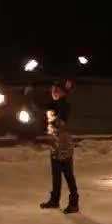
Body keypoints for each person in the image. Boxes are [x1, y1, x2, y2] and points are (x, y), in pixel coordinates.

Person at [39, 80, 80, 214]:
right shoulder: (54, 105)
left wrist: (52, 119)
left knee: (68, 173)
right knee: (56, 173)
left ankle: (74, 202)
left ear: (62, 92)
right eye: (53, 90)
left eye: (56, 90)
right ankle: (55, 199)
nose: (53, 93)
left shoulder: (64, 105)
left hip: (64, 144)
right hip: (55, 143)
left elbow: (61, 122)